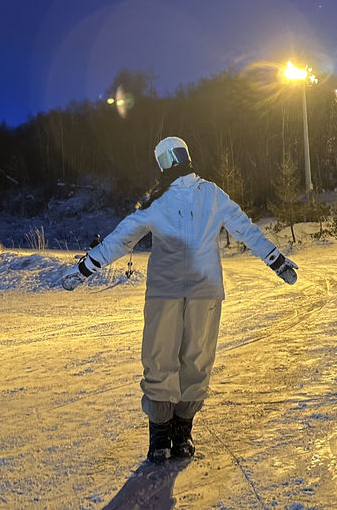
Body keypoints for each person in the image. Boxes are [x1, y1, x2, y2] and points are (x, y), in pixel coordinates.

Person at [61, 135, 298, 464]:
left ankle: (162, 435)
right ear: (185, 156)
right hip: (205, 292)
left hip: (166, 292)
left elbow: (120, 240)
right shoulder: (210, 195)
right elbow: (246, 230)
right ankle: (181, 432)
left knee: (160, 360)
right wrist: (275, 259)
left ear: (162, 163)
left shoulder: (156, 201)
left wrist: (87, 267)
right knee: (197, 360)